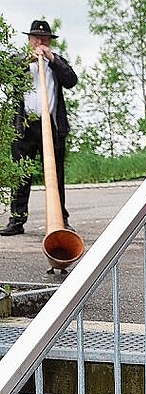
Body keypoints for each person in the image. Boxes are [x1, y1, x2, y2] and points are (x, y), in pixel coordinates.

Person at [1, 20, 78, 236]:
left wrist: (51, 59)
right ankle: (16, 221)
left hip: (51, 127)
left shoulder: (57, 62)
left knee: (55, 176)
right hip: (24, 127)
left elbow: (71, 80)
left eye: (44, 39)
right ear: (29, 40)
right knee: (21, 175)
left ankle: (60, 220)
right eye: (36, 38)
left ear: (50, 42)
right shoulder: (19, 61)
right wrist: (29, 60)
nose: (40, 42)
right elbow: (6, 76)